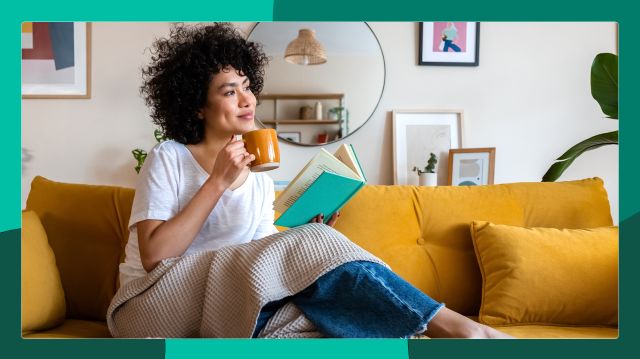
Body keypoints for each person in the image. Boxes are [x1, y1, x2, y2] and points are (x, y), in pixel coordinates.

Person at [116, 22, 511, 339]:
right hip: (150, 307)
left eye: (248, 87)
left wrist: (304, 234)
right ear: (198, 106)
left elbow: (256, 259)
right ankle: (457, 326)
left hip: (222, 305)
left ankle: (421, 336)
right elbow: (155, 256)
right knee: (316, 267)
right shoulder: (169, 157)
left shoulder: (255, 178)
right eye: (229, 91)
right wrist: (217, 182)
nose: (247, 100)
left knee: (317, 317)